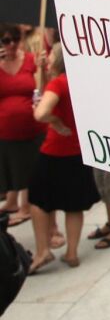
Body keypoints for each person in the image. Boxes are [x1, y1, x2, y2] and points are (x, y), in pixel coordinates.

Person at [28, 44, 100, 272]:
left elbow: (40, 113)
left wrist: (56, 122)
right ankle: (72, 252)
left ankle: (42, 250)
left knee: (38, 201)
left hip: (55, 149)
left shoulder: (58, 83)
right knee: (73, 204)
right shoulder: (78, 80)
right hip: (78, 150)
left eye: (50, 56)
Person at [0, 24, 42, 227]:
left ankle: (25, 206)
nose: (11, 45)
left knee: (28, 170)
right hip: (6, 130)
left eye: (15, 40)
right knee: (12, 169)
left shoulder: (30, 60)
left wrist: (43, 68)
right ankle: (12, 202)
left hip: (32, 127)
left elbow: (41, 87)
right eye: (6, 41)